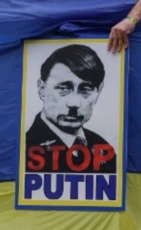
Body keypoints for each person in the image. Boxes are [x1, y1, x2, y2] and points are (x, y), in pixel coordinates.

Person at [26, 44, 116, 173]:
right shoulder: (24, 147)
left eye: (85, 89)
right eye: (63, 88)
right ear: (42, 89)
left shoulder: (105, 149)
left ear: (99, 92)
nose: (74, 103)